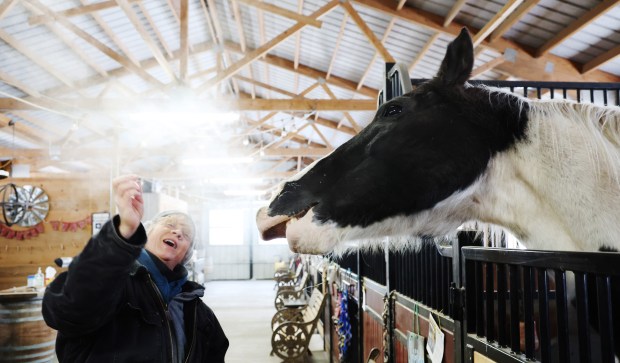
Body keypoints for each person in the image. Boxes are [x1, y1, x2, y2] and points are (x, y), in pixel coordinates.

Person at [42, 174, 229, 362]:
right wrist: (121, 236)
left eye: (186, 234)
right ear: (148, 231)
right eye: (170, 224)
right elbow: (67, 310)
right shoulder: (116, 282)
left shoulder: (198, 312)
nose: (178, 232)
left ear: (186, 254)